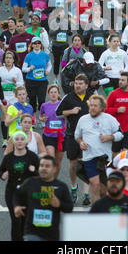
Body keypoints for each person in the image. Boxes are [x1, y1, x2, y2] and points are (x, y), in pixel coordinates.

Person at [75, 94, 123, 204]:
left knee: (103, 190)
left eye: (95, 106)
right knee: (95, 185)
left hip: (104, 159)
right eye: (91, 105)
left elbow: (120, 134)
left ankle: (103, 210)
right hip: (89, 158)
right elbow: (77, 135)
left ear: (102, 107)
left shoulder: (110, 119)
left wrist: (110, 137)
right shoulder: (83, 119)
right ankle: (95, 214)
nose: (92, 108)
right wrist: (81, 142)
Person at [13, 155, 73, 241]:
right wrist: (16, 206)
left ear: (54, 169)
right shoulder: (30, 182)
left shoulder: (61, 187)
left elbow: (69, 208)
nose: (43, 168)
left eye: (47, 166)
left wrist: (59, 204)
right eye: (41, 165)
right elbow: (17, 194)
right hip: (31, 232)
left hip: (51, 234)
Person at [55, 74, 92, 205]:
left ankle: (86, 193)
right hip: (72, 135)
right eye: (76, 83)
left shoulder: (92, 97)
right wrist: (71, 111)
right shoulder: (69, 97)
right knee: (73, 163)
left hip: (89, 137)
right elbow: (57, 113)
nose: (77, 85)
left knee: (85, 163)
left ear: (86, 86)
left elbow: (101, 112)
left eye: (80, 83)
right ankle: (74, 187)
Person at [0, 131, 40, 241]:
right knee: (16, 220)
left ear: (25, 141)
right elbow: (0, 171)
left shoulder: (32, 156)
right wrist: (3, 174)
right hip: (12, 192)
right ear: (13, 142)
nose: (20, 141)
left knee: (26, 220)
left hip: (28, 193)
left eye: (22, 139)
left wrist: (34, 170)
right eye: (17, 139)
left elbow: (41, 174)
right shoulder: (9, 157)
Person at [105, 72, 128, 155]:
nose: (120, 82)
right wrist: (116, 110)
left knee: (126, 154)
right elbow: (105, 109)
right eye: (119, 80)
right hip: (116, 129)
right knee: (115, 154)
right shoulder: (113, 94)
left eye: (123, 80)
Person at [39, 84, 66, 178]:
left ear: (58, 93)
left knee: (58, 163)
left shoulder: (63, 104)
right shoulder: (44, 105)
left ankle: (54, 180)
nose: (53, 94)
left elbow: (67, 116)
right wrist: (43, 119)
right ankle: (49, 180)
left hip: (61, 136)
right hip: (48, 135)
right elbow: (41, 115)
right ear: (48, 94)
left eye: (55, 92)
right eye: (51, 92)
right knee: (51, 159)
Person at [22, 36, 51, 116]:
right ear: (32, 45)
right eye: (35, 43)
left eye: (38, 43)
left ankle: (41, 116)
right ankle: (33, 118)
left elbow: (49, 65)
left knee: (42, 100)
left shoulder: (45, 55)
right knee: (32, 100)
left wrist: (47, 70)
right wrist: (29, 69)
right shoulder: (29, 56)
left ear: (41, 44)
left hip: (42, 81)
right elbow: (23, 68)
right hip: (31, 80)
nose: (37, 45)